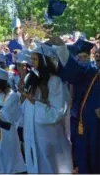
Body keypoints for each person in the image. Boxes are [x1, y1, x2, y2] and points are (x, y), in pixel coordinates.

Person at [19, 42, 72, 173]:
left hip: (48, 133)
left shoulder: (55, 81)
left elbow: (57, 112)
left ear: (45, 61)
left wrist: (32, 101)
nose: (32, 62)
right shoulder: (30, 78)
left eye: (35, 59)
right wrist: (23, 97)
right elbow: (25, 107)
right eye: (31, 59)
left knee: (50, 165)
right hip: (31, 130)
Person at [50, 37, 99, 174]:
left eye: (84, 57)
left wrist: (61, 47)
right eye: (79, 57)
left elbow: (75, 71)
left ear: (90, 56)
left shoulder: (91, 72)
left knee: (93, 156)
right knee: (81, 154)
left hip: (92, 123)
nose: (81, 60)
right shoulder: (83, 72)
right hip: (79, 120)